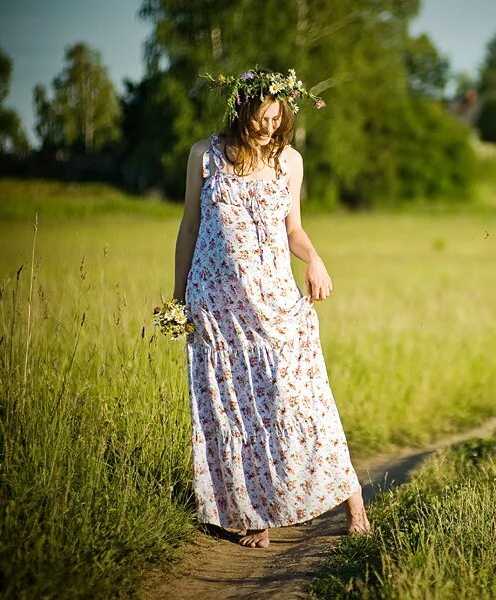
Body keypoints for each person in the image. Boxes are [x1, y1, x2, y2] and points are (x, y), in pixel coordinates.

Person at [171, 68, 371, 548]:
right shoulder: (206, 157)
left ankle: (354, 503)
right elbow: (189, 228)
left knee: (301, 399)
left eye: (277, 119)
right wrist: (179, 298)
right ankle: (253, 515)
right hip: (218, 310)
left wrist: (315, 260)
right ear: (242, 111)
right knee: (233, 410)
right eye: (262, 118)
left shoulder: (289, 162)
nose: (268, 128)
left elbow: (293, 229)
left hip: (276, 305)